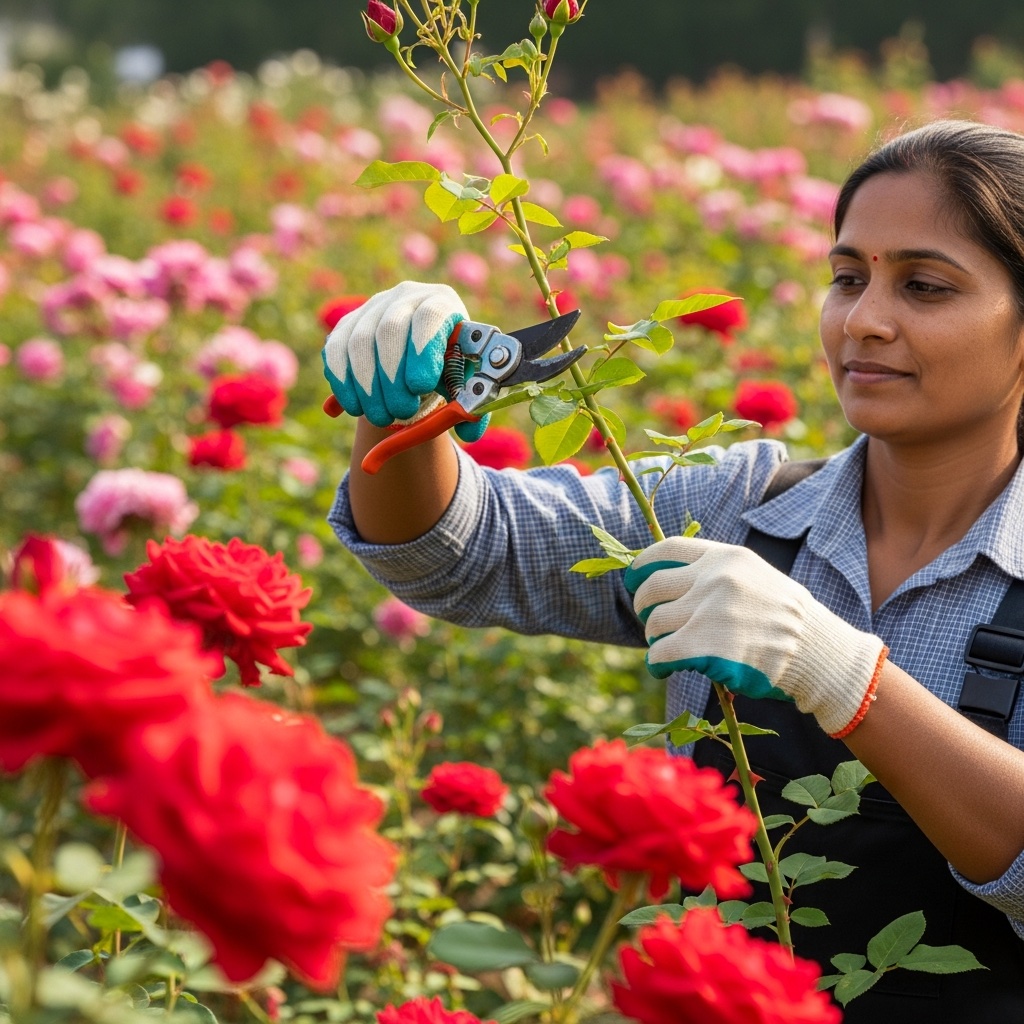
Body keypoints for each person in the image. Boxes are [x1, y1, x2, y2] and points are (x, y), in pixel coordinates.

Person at [323, 119, 1024, 1020]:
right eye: (847, 277)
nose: (863, 320)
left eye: (924, 286)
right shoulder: (740, 508)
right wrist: (402, 400)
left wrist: (841, 674)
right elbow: (461, 552)